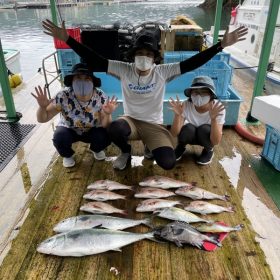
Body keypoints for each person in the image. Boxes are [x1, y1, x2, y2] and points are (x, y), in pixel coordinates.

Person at [42, 19, 247, 170]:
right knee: (114, 128)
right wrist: (68, 39)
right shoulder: (123, 68)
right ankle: (125, 152)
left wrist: (220, 45)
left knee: (167, 163)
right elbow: (93, 58)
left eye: (148, 55)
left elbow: (192, 63)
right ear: (133, 56)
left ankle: (151, 146)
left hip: (154, 124)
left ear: (155, 58)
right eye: (139, 54)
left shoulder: (163, 71)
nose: (144, 58)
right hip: (130, 121)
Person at [31, 63, 118, 168]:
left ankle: (97, 149)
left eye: (87, 78)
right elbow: (42, 119)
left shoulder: (100, 96)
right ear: (72, 81)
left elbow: (106, 125)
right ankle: (67, 155)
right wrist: (42, 107)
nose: (82, 81)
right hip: (70, 129)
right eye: (78, 77)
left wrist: (108, 114)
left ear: (93, 82)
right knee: (59, 137)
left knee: (106, 134)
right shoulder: (63, 95)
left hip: (92, 129)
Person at [169, 76, 225, 165]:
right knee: (188, 128)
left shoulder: (217, 108)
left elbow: (216, 141)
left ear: (211, 95)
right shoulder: (185, 105)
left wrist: (213, 119)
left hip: (206, 138)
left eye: (204, 92)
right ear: (191, 94)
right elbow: (174, 133)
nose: (199, 96)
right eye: (196, 92)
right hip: (189, 135)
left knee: (205, 129)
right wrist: (177, 115)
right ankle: (181, 146)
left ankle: (208, 150)